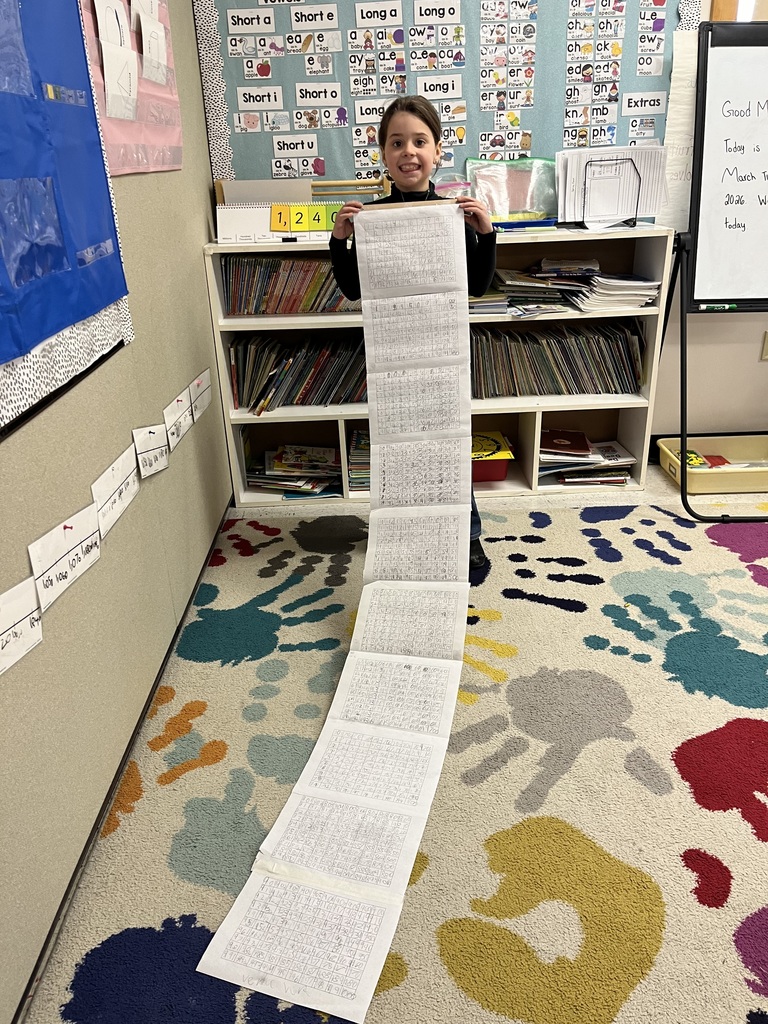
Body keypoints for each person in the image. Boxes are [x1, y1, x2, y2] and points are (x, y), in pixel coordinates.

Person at [329, 95, 496, 571]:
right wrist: (340, 240)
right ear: (382, 153)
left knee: (449, 443)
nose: (409, 152)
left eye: (420, 141)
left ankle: (468, 537)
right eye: (396, 142)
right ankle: (403, 535)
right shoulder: (373, 218)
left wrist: (485, 233)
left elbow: (478, 286)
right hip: (393, 358)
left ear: (438, 151)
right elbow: (354, 288)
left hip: (443, 356)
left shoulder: (454, 215)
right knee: (398, 448)